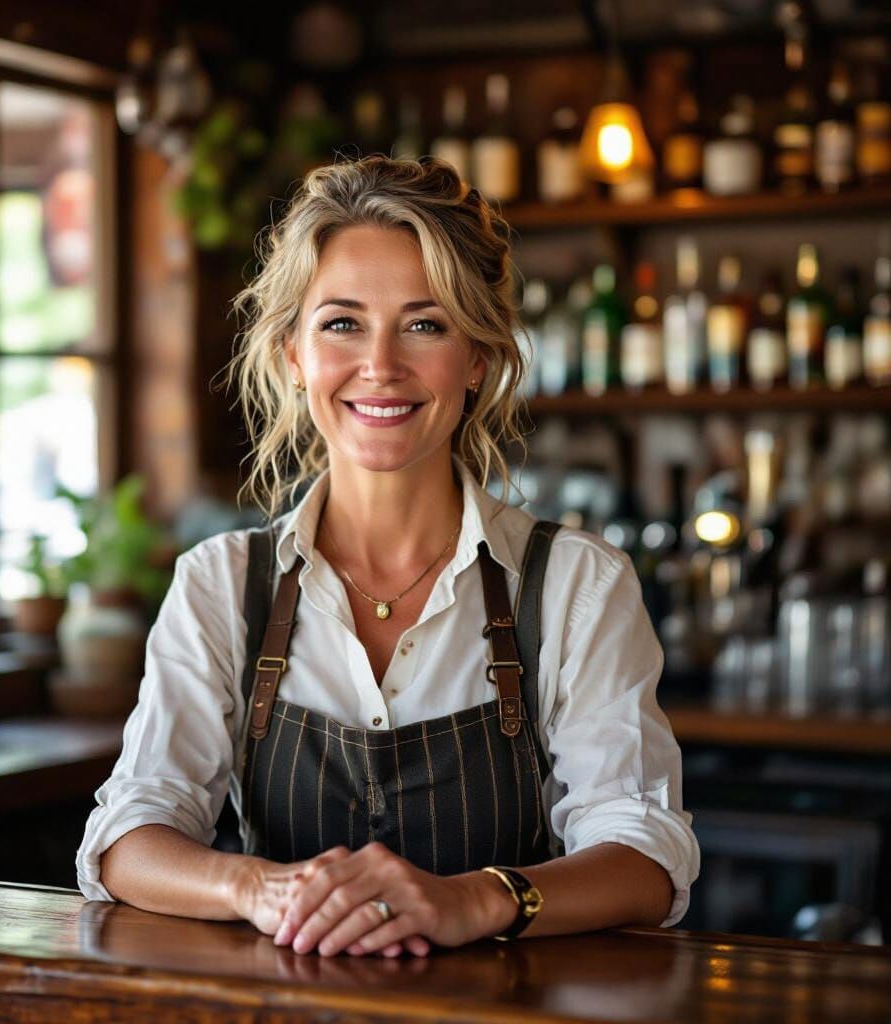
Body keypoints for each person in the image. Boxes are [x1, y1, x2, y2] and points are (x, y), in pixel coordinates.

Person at [76, 155, 700, 959]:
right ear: (293, 355)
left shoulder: (574, 584)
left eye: (424, 323)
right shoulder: (224, 585)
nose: (381, 365)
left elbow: (646, 859)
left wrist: (473, 900)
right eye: (341, 323)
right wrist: (259, 886)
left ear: (477, 357)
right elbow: (129, 834)